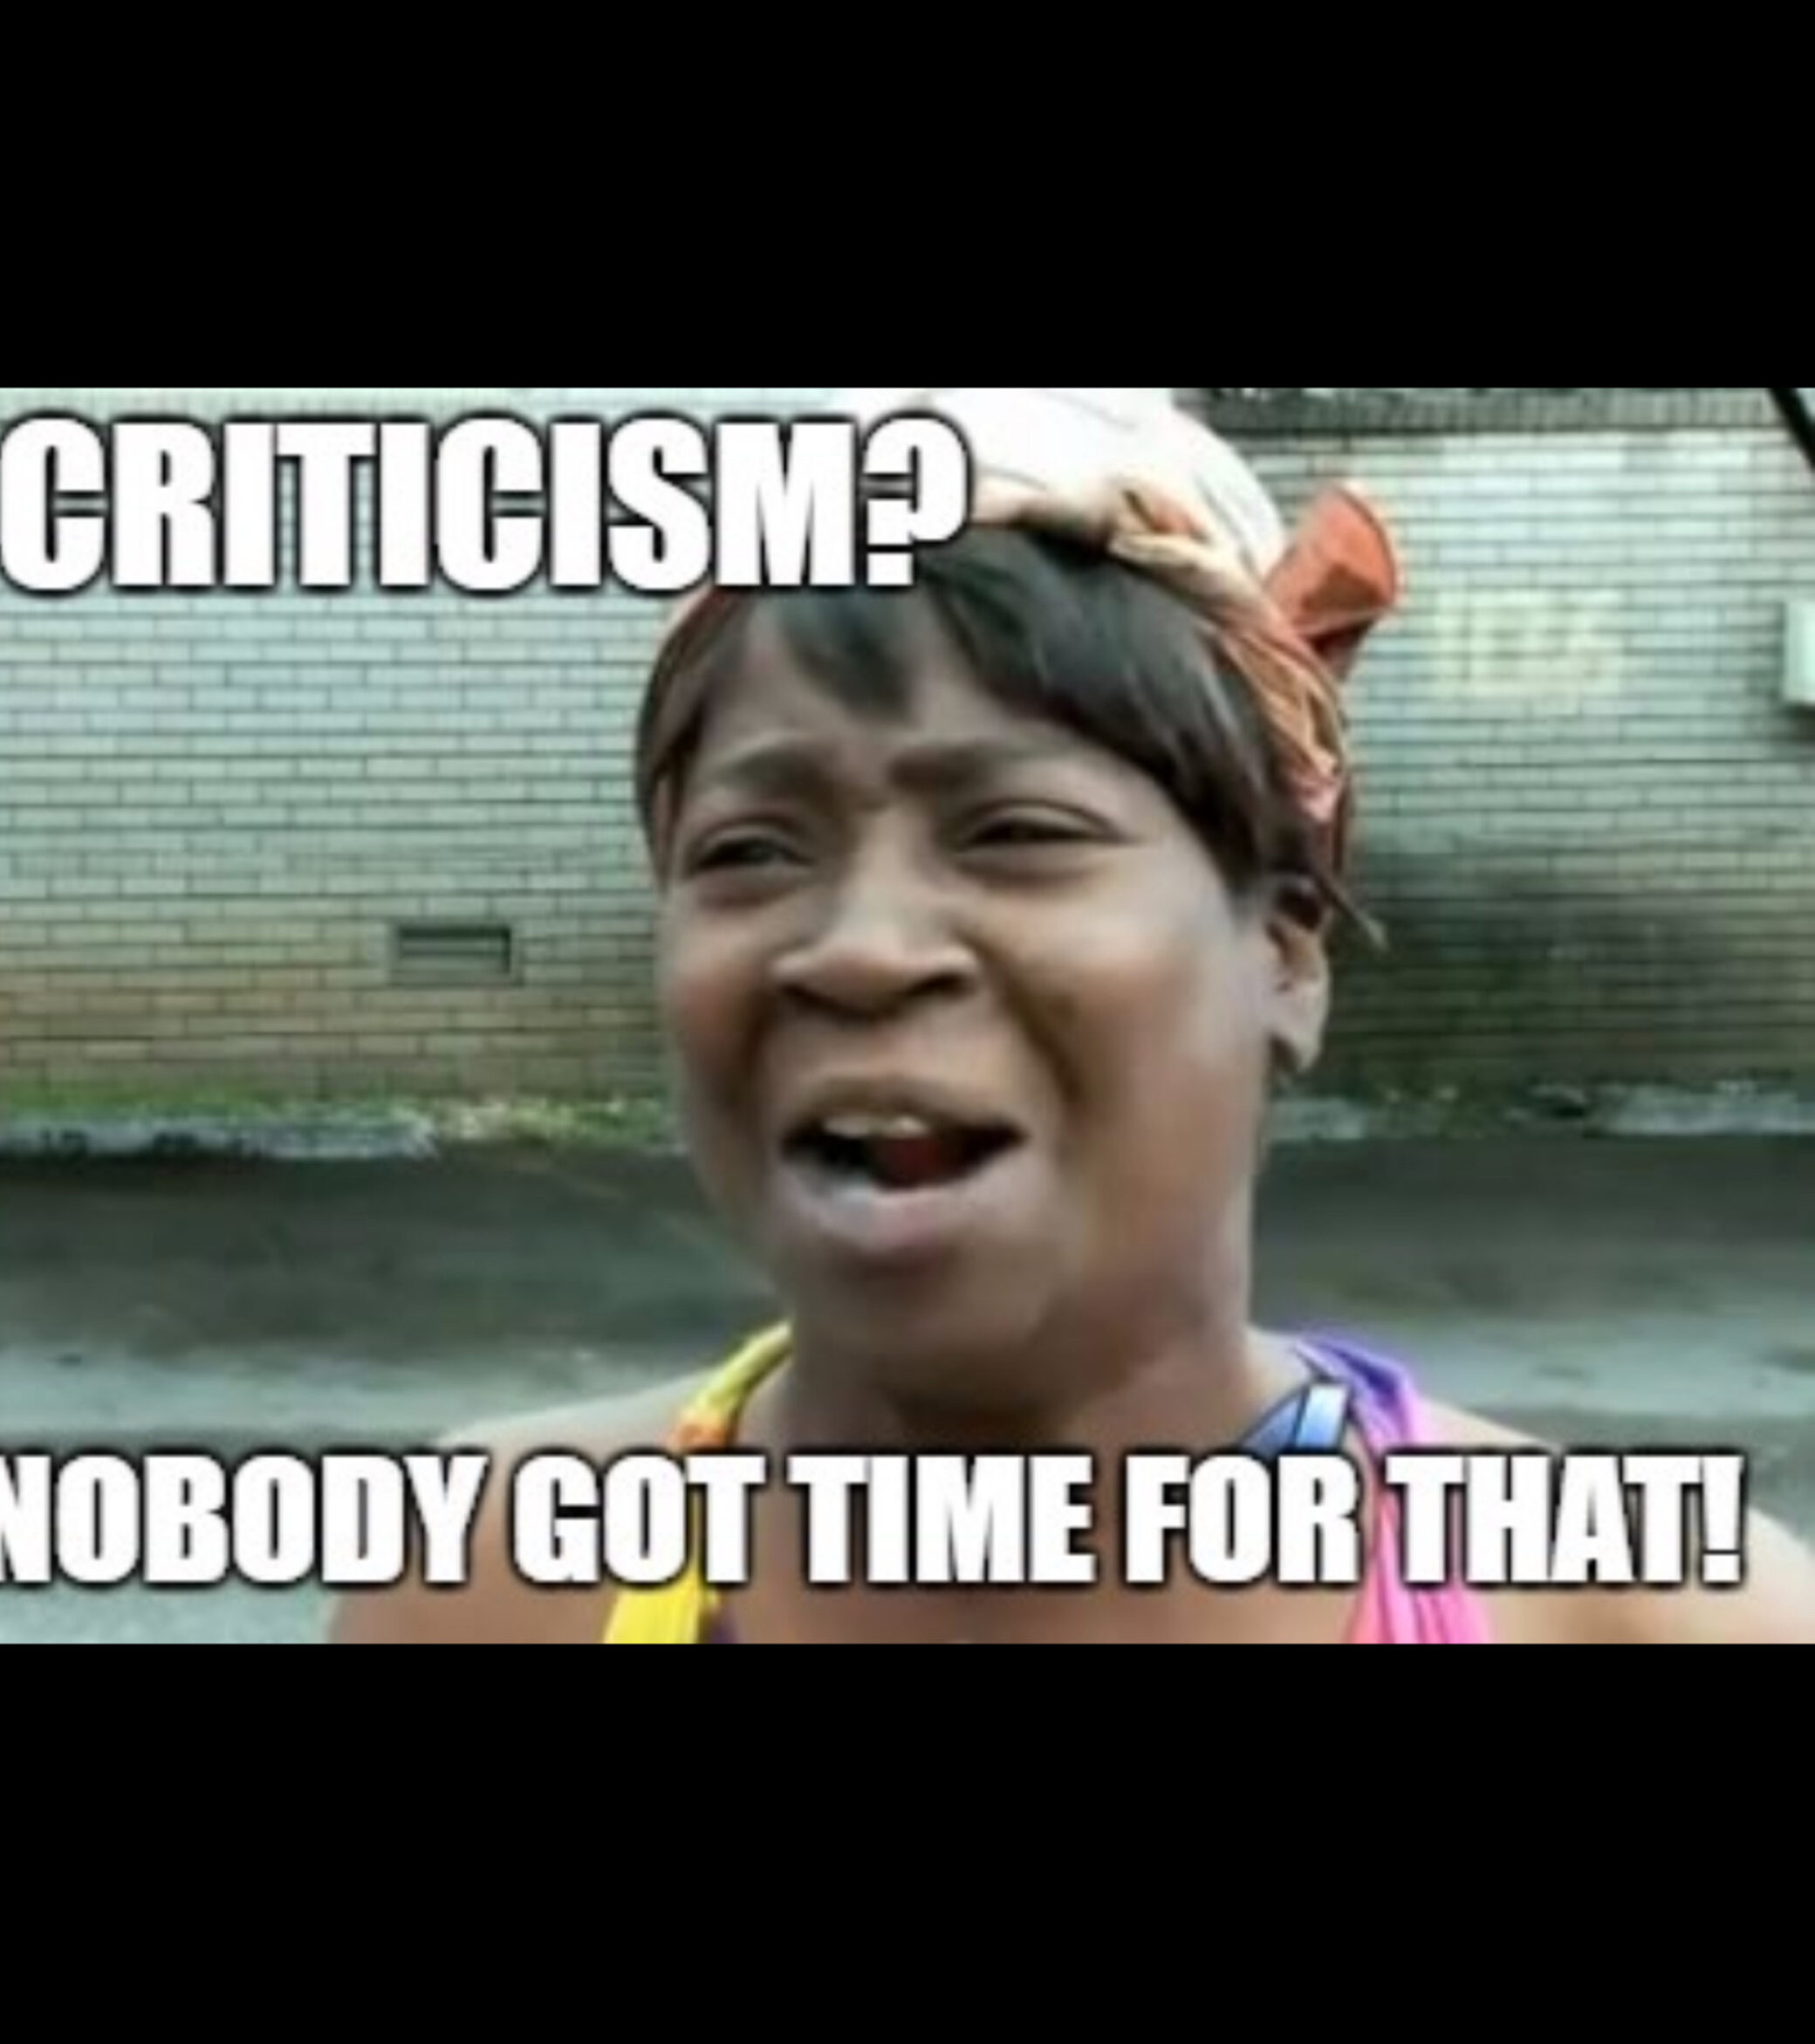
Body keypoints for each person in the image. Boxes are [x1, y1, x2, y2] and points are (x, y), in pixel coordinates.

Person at [337, 388, 1815, 1645]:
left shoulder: (1665, 1618)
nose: (860, 951)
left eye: (1016, 832)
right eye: (751, 851)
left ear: (1285, 957)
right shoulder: (488, 1582)